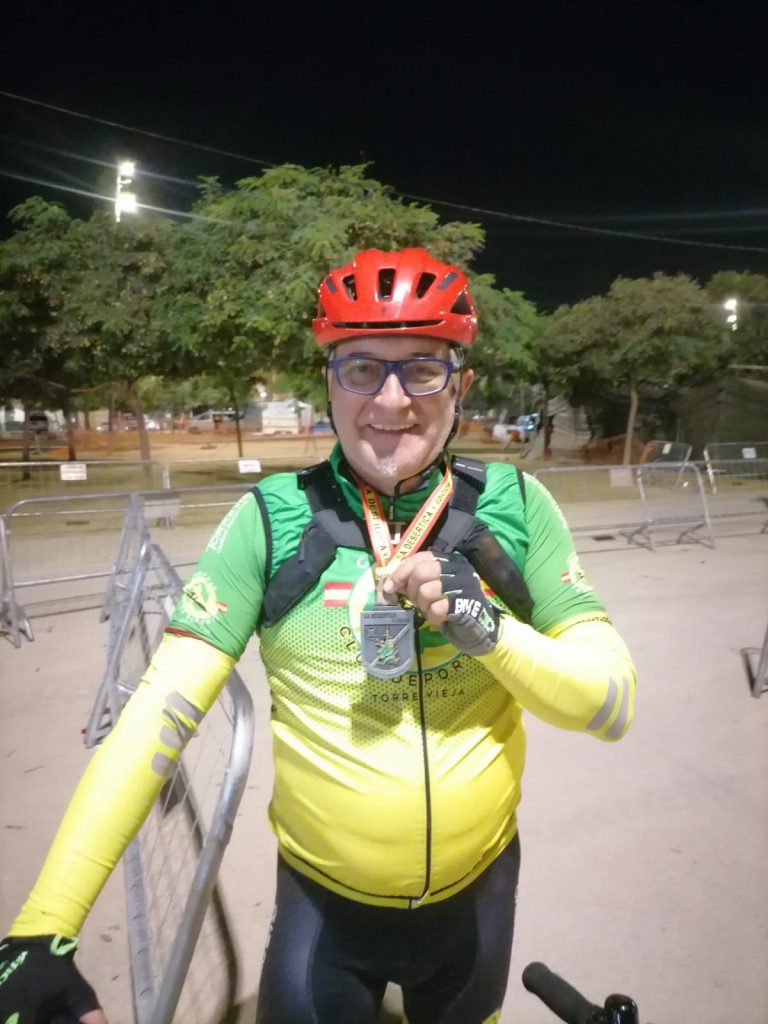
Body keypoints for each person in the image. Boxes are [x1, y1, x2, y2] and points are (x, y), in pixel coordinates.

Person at [0, 248, 637, 1024]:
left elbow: (610, 706)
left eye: (423, 369)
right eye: (362, 368)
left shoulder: (519, 506)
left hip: (477, 902)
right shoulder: (270, 520)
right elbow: (160, 709)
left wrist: (489, 630)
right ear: (328, 381)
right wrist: (46, 924)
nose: (393, 400)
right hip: (324, 913)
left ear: (461, 384)